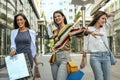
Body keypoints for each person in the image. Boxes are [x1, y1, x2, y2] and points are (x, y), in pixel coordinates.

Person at [50, 10, 101, 80]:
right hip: (54, 59)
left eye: (59, 16)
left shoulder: (68, 28)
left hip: (64, 59)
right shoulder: (55, 31)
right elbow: (55, 38)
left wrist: (89, 32)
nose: (57, 18)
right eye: (55, 17)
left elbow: (79, 30)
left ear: (63, 17)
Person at [82, 11, 114, 80]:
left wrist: (106, 14)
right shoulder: (89, 29)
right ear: (97, 18)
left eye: (105, 19)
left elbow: (112, 16)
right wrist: (83, 59)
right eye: (102, 18)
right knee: (99, 78)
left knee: (107, 78)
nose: (104, 20)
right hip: (95, 57)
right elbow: (85, 43)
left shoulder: (105, 27)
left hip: (106, 56)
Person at [10, 13, 43, 79]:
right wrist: (12, 49)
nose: (19, 22)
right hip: (17, 57)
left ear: (25, 20)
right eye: (17, 20)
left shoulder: (31, 32)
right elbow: (13, 44)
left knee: (24, 78)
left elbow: (33, 48)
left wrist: (36, 62)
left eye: (21, 19)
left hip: (28, 58)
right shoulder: (13, 32)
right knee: (17, 78)